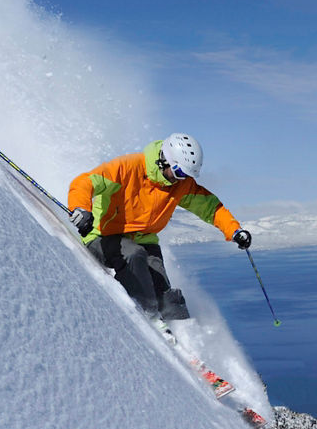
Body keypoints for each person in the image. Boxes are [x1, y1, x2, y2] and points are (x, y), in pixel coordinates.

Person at [67, 133, 251, 321]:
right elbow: (85, 181)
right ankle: (148, 318)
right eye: (179, 172)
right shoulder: (128, 167)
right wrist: (81, 208)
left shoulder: (181, 185)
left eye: (187, 175)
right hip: (102, 236)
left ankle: (180, 334)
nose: (181, 179)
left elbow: (211, 208)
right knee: (134, 256)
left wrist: (234, 230)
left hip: (144, 239)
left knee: (164, 293)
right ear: (164, 160)